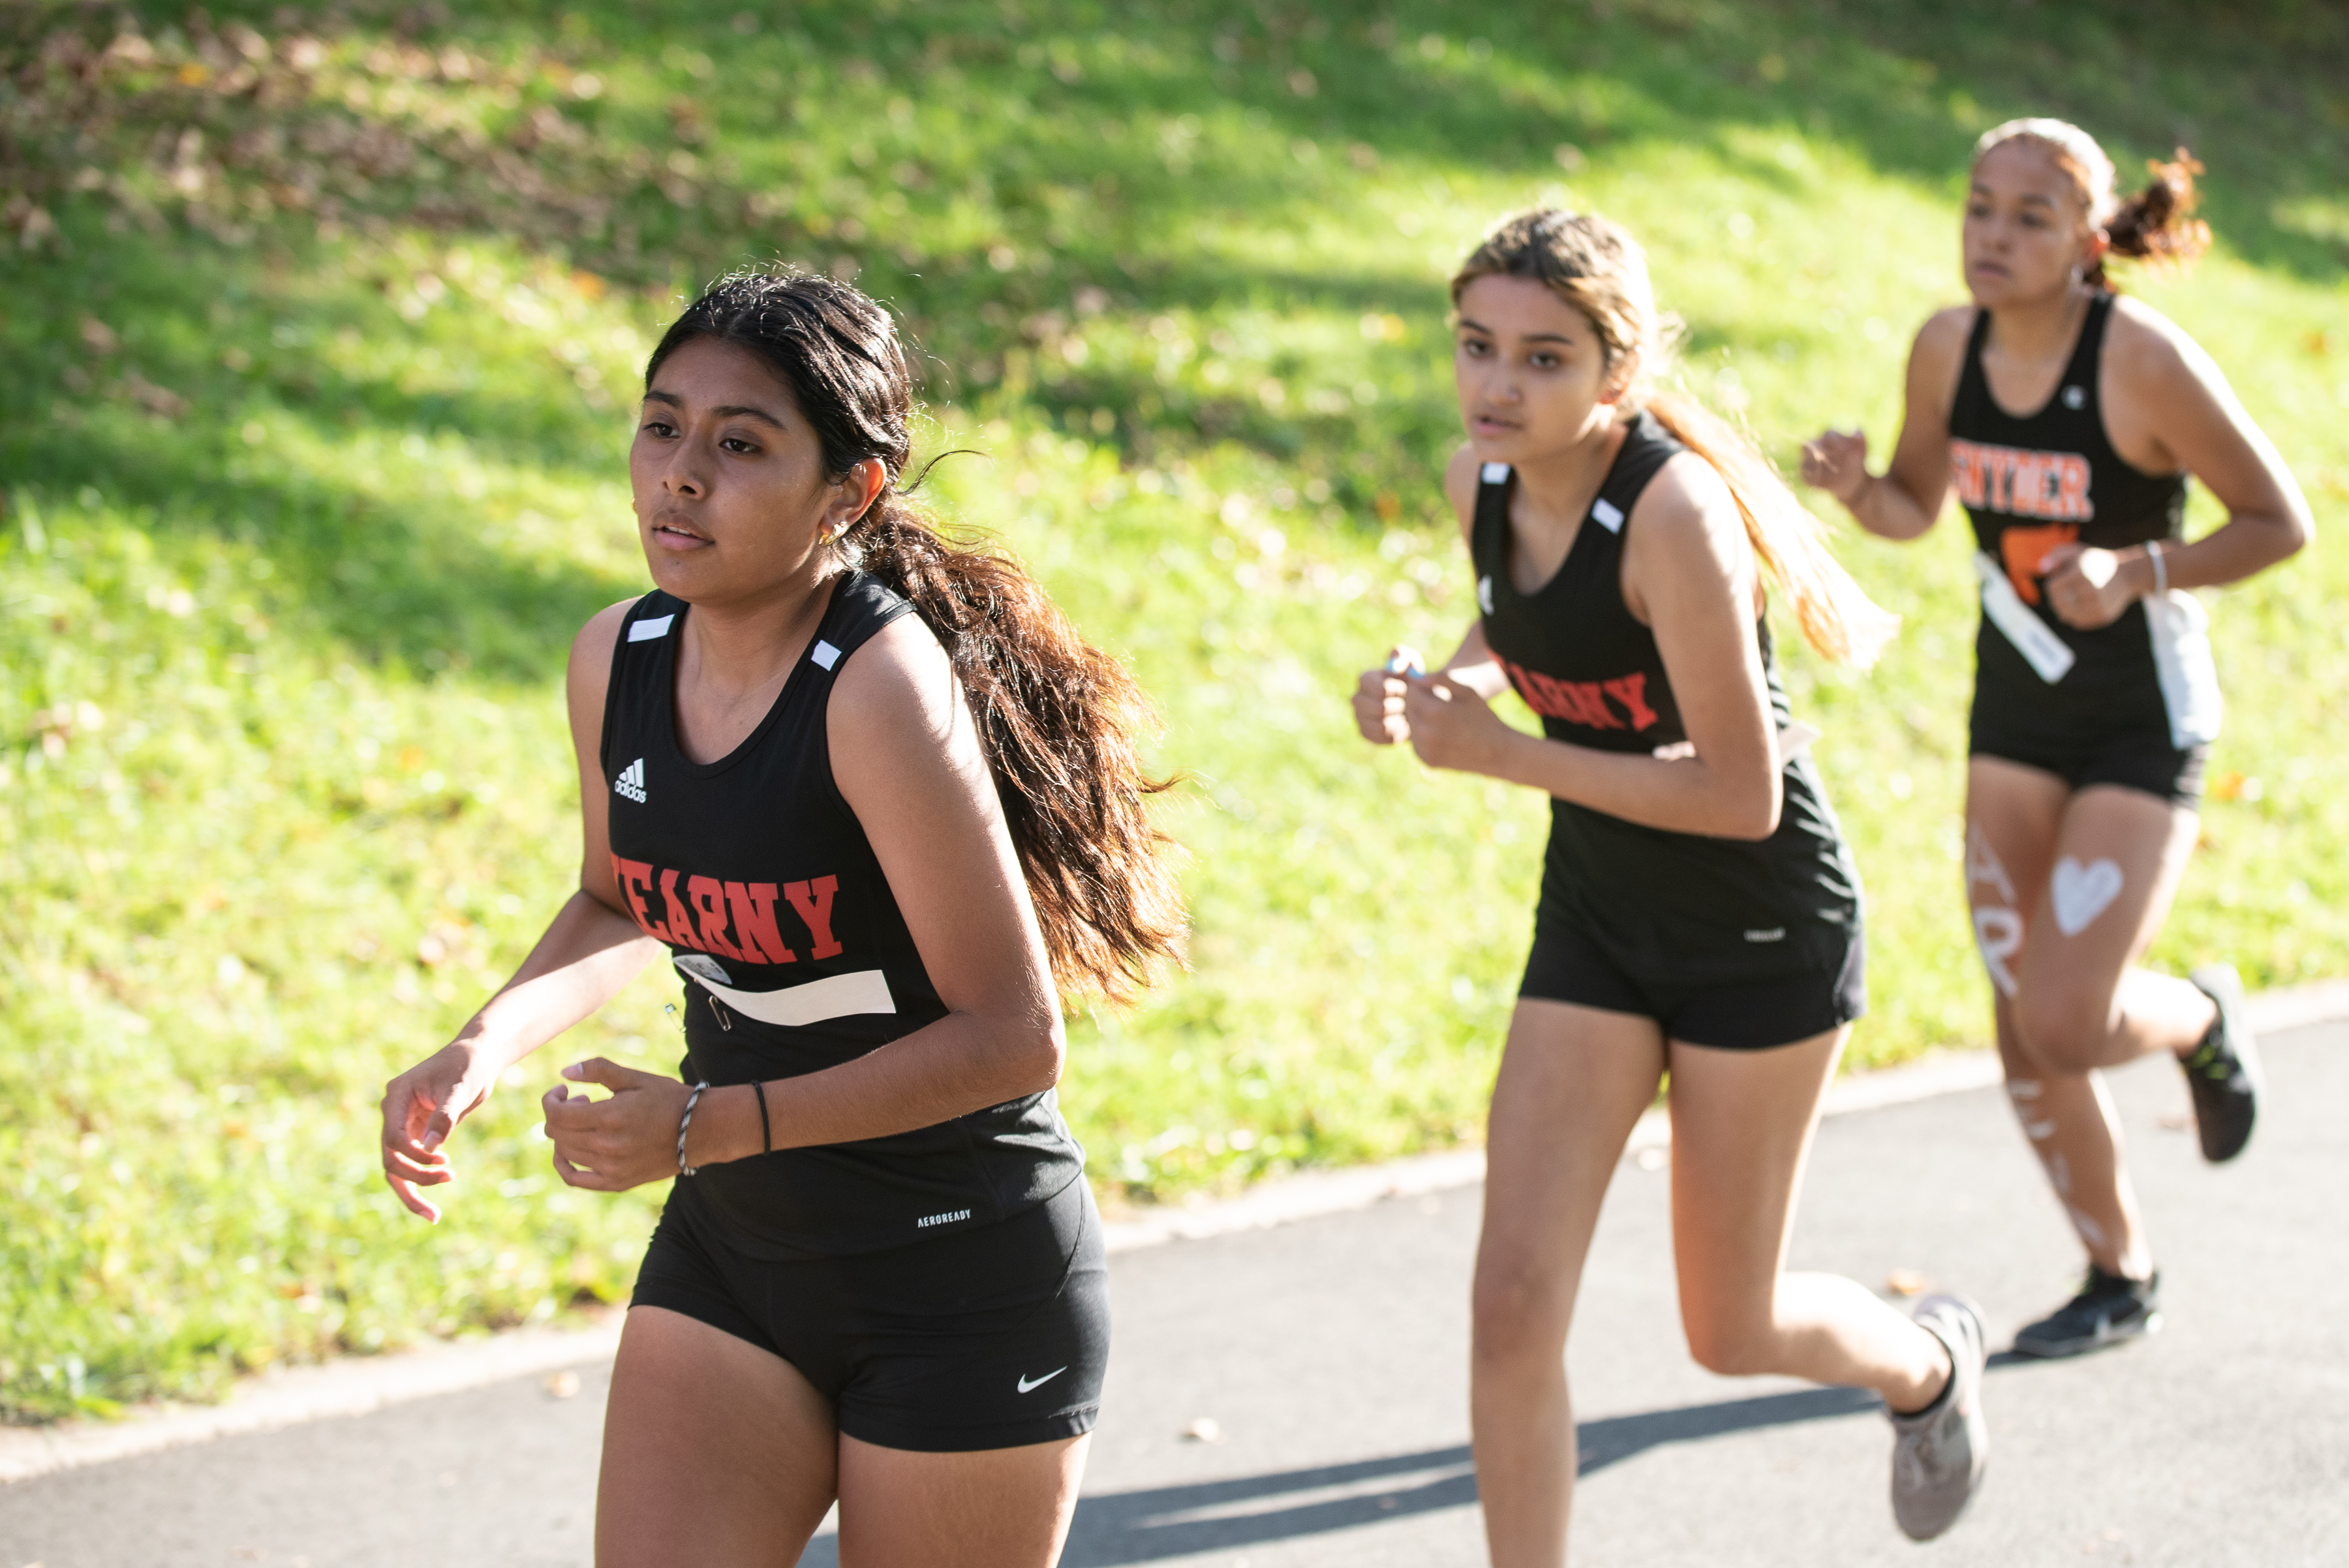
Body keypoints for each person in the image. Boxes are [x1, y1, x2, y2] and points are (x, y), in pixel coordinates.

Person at [378, 268, 1183, 1567]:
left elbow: (1015, 1036)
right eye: (662, 425)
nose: (681, 473)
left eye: (740, 443)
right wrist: (483, 1044)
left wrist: (705, 1122)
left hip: (960, 1282)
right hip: (741, 1260)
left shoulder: (873, 685)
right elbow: (616, 894)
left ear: (849, 493)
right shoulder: (618, 658)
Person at [1351, 208, 1988, 1563]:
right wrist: (1441, 685)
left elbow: (1737, 795)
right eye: (1477, 347)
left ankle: (1927, 1365)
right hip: (1598, 916)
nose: (1496, 386)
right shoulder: (1485, 479)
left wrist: (1507, 753)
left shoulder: (1677, 515)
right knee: (1512, 1301)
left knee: (1730, 1326)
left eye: (1542, 358)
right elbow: (1518, 617)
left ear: (1619, 377)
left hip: (1758, 930)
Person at [1802, 120, 2311, 1358]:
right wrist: (1861, 491)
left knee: (2070, 1017)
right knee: (2020, 1015)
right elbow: (1922, 505)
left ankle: (2196, 1017)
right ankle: (2116, 1271)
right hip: (2016, 713)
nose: (1993, 235)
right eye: (1980, 207)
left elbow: (2278, 522)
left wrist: (2141, 566)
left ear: (2089, 242)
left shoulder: (2140, 361)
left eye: (2030, 216)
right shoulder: (1947, 345)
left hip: (2140, 715)